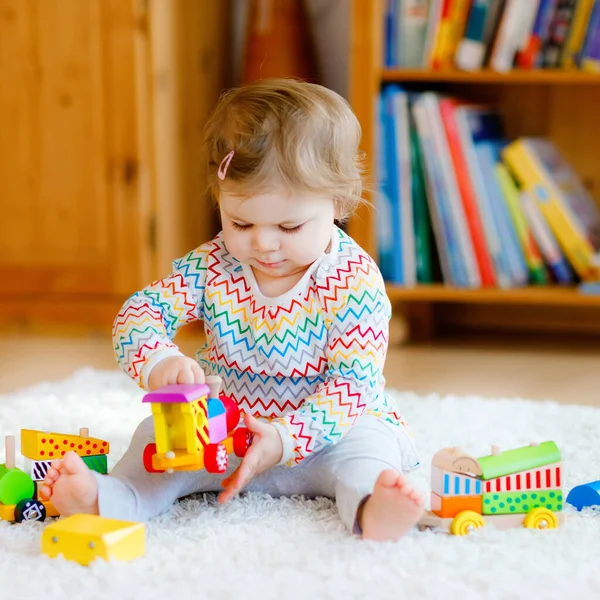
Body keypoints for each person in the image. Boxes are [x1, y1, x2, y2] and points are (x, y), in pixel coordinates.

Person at [42, 78, 423, 541]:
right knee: (153, 439)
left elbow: (353, 386)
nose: (262, 242)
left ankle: (373, 509)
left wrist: (284, 438)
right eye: (241, 221)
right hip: (221, 431)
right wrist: (159, 360)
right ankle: (109, 497)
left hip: (324, 436)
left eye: (289, 225)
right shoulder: (214, 263)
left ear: (339, 203)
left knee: (369, 449)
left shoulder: (353, 280)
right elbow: (139, 314)